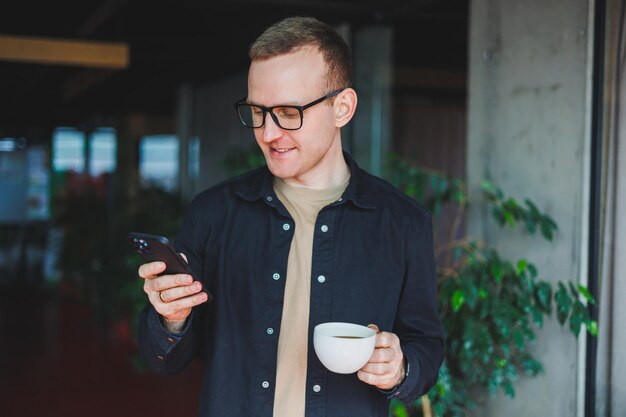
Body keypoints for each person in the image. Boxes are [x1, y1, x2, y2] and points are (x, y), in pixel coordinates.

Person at [137, 16, 444, 417]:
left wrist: (401, 367)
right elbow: (165, 360)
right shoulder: (214, 213)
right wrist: (171, 320)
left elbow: (427, 346)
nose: (268, 133)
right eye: (257, 112)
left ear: (343, 107)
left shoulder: (402, 222)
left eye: (287, 111)